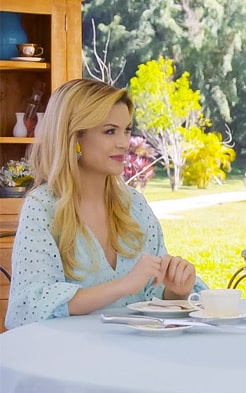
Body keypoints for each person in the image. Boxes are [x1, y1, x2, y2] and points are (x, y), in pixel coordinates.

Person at [5, 79, 208, 329]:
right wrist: (124, 285)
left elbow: (152, 297)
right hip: (71, 359)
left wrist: (177, 291)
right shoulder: (42, 207)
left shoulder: (134, 204)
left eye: (127, 130)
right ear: (74, 137)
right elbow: (29, 308)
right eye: (110, 131)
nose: (124, 143)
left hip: (139, 355)